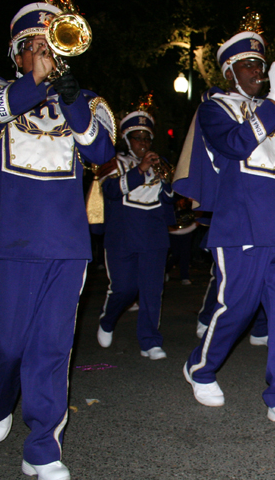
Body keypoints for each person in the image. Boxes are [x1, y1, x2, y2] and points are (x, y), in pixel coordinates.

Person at [0, 0, 115, 480]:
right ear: (17, 52)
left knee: (53, 346)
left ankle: (43, 448)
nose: (47, 52)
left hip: (66, 243)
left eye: (53, 42)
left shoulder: (87, 100)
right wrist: (32, 85)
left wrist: (69, 99)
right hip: (8, 240)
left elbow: (101, 150)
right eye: (36, 43)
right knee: (8, 344)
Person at [174, 13, 275, 431]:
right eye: (248, 65)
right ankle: (200, 367)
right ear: (230, 71)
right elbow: (236, 145)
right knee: (235, 308)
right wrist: (274, 103)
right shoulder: (214, 108)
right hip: (240, 226)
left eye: (260, 63)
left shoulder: (272, 109)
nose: (257, 70)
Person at [96, 102, 175, 359]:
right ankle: (108, 319)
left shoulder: (159, 163)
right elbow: (109, 191)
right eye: (137, 138)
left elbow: (170, 199)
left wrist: (168, 182)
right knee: (125, 289)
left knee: (152, 291)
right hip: (123, 236)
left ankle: (150, 341)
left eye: (146, 138)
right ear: (128, 140)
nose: (143, 143)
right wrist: (140, 170)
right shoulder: (113, 162)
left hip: (153, 235)